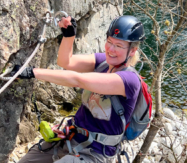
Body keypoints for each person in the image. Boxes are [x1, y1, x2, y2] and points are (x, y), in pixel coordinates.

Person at [17, 15, 146, 163]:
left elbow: (79, 80)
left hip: (96, 153)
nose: (110, 49)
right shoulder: (103, 63)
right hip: (70, 138)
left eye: (118, 46)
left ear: (132, 51)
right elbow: (66, 62)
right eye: (109, 42)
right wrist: (68, 35)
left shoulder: (129, 80)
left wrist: (32, 72)